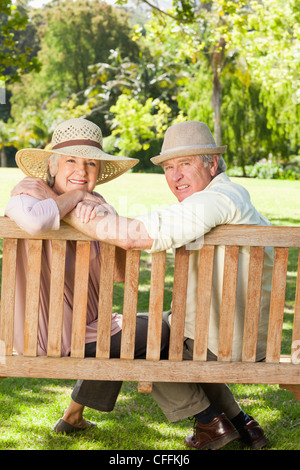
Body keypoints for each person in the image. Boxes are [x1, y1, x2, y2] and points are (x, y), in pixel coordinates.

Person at [60, 120, 273, 450]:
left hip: (222, 343)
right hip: (241, 335)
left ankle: (209, 425)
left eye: (185, 164)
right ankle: (243, 424)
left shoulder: (215, 202)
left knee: (136, 338)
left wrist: (69, 203)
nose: (175, 176)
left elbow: (132, 237)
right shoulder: (226, 198)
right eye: (169, 167)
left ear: (212, 163)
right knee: (137, 330)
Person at [5, 117, 170, 433]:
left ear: (98, 172)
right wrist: (78, 198)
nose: (81, 171)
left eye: (91, 163)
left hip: (89, 328)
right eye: (71, 160)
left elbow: (119, 272)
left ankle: (73, 416)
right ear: (52, 166)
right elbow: (38, 223)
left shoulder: (96, 204)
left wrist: (107, 216)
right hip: (42, 336)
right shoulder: (28, 194)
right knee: (154, 334)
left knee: (159, 327)